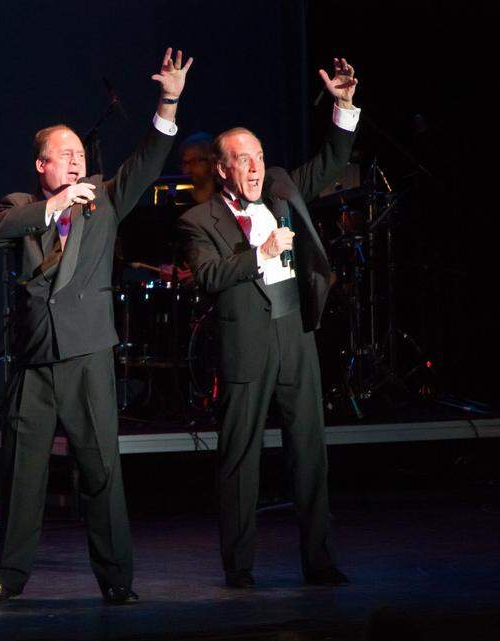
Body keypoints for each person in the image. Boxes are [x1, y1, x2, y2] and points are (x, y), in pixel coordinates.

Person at [0, 49, 192, 605]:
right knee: (22, 474)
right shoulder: (23, 205)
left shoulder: (103, 200)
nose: (76, 163)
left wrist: (167, 102)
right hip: (34, 360)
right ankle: (8, 576)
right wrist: (53, 208)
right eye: (64, 155)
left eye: (80, 154)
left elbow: (147, 159)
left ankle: (117, 578)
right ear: (42, 166)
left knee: (100, 468)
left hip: (87, 354)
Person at [175, 58, 361, 589]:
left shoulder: (282, 189)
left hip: (294, 333)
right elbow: (208, 276)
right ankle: (239, 567)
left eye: (258, 156)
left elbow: (329, 161)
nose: (255, 167)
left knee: (309, 451)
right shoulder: (198, 220)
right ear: (221, 168)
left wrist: (344, 108)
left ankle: (319, 560)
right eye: (242, 160)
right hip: (246, 342)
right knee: (240, 459)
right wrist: (259, 251)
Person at [178, 131, 216, 206]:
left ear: (211, 162)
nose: (185, 170)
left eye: (193, 161)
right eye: (184, 163)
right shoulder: (179, 200)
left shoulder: (226, 199)